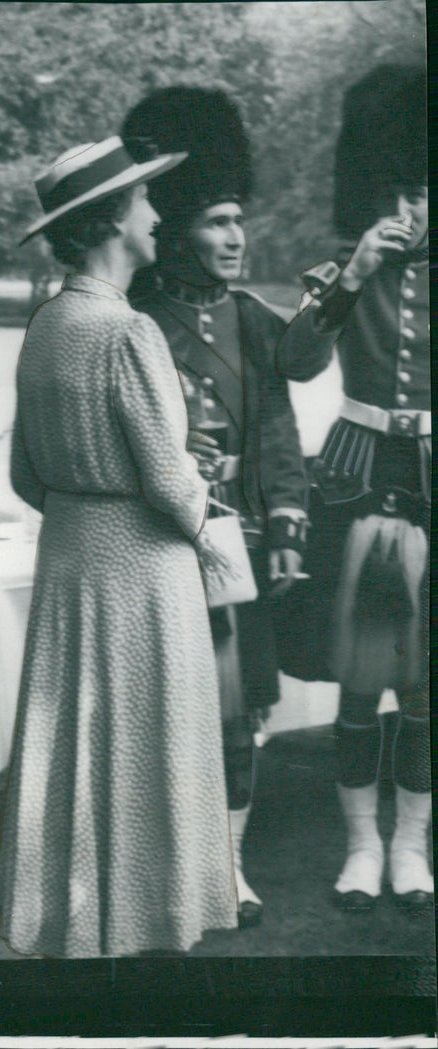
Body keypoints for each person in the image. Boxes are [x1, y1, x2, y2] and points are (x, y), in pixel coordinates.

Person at [0, 136, 238, 957]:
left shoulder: (47, 323)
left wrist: (87, 495)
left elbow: (27, 475)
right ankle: (143, 922)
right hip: (142, 571)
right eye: (143, 202)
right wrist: (208, 520)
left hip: (71, 559)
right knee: (145, 741)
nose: (158, 214)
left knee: (80, 740)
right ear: (110, 223)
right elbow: (171, 485)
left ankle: (80, 921)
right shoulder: (128, 331)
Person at [121, 88, 309, 928]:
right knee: (165, 707)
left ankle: (225, 867)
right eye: (217, 221)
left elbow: (277, 424)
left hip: (239, 539)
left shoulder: (254, 320)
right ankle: (161, 861)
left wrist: (288, 524)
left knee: (239, 713)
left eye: (240, 220)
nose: (236, 238)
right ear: (173, 228)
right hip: (158, 540)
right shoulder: (132, 320)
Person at [275, 66, 431, 914]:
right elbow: (296, 361)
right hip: (358, 474)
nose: (410, 212)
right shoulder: (347, 267)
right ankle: (361, 846)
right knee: (360, 675)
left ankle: (411, 843)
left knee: (425, 682)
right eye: (396, 194)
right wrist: (353, 275)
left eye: (423, 193)